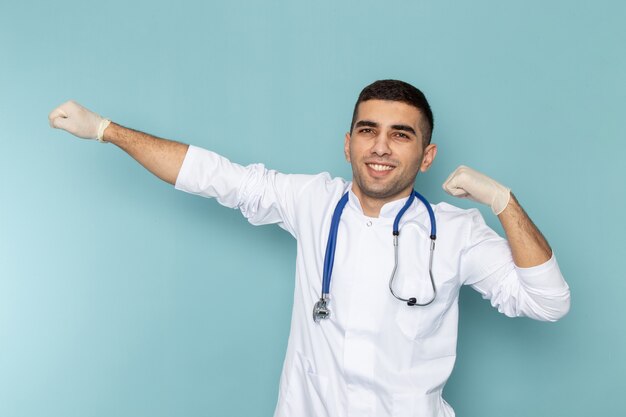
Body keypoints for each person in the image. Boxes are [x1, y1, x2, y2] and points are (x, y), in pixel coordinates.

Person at [48, 80, 570, 417]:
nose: (381, 147)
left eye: (401, 135)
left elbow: (547, 302)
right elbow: (216, 177)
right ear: (348, 144)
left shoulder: (455, 231)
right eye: (368, 130)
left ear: (427, 155)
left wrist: (502, 201)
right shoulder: (313, 201)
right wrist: (105, 130)